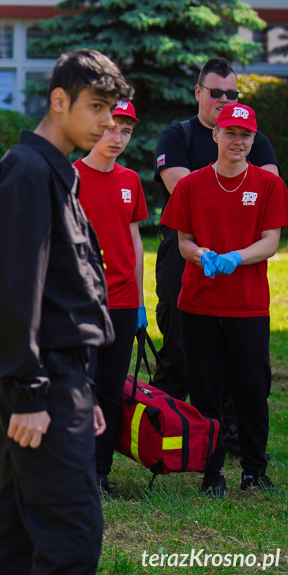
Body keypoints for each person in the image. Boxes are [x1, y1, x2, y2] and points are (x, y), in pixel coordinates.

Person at [0, 49, 132, 574]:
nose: (108, 121)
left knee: (18, 531)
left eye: (114, 108)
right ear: (59, 101)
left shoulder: (54, 173)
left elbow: (60, 294)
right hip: (42, 383)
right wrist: (32, 395)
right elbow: (7, 294)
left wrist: (81, 392)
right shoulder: (28, 172)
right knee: (73, 539)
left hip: (60, 382)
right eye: (97, 106)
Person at [160, 103, 287, 497]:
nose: (238, 141)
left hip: (247, 303)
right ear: (215, 135)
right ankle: (212, 472)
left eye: (245, 135)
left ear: (254, 140)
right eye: (230, 133)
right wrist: (200, 255)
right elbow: (182, 242)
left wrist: (236, 257)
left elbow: (270, 242)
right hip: (197, 303)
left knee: (251, 388)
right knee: (205, 390)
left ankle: (254, 470)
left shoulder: (269, 185)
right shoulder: (191, 185)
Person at [152, 57, 278, 400]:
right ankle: (174, 427)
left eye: (232, 93)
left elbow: (270, 192)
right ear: (198, 92)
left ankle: (233, 427)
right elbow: (184, 194)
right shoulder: (177, 135)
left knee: (243, 352)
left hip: (241, 257)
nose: (225, 99)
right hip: (185, 250)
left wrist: (235, 249)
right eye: (216, 92)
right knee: (180, 346)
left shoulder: (257, 140)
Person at [73, 100, 148, 494]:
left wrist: (139, 300)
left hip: (122, 302)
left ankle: (101, 472)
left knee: (111, 389)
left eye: (125, 131)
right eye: (110, 128)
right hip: (83, 303)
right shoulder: (71, 178)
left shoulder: (131, 180)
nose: (117, 138)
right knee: (79, 386)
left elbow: (134, 240)